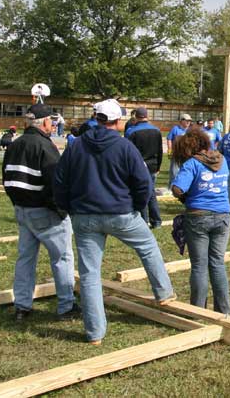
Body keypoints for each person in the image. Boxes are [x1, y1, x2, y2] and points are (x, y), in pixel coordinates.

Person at [54, 98, 175, 345]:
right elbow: (143, 183)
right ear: (117, 121)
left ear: (96, 118)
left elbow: (59, 180)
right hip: (121, 213)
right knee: (148, 247)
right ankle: (163, 293)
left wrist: (68, 207)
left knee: (89, 274)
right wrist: (137, 206)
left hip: (84, 216)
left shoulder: (75, 146)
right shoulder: (125, 147)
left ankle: (95, 333)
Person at [3, 103, 78, 321]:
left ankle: (22, 306)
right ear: (45, 122)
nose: (53, 124)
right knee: (62, 258)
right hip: (45, 213)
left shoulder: (15, 145)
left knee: (25, 259)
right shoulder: (45, 147)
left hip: (22, 210)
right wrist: (61, 210)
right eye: (52, 121)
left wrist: (19, 203)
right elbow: (57, 183)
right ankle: (66, 306)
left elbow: (7, 180)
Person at [170, 128, 230, 314]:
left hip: (198, 217)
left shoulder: (192, 164)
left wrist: (187, 199)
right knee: (217, 263)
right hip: (223, 216)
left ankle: (197, 311)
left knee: (199, 265)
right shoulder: (222, 160)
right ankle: (224, 310)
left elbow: (177, 189)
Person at [125, 107, 163, 228]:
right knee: (151, 193)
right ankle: (156, 221)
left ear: (136, 116)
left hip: (137, 166)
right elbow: (160, 150)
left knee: (139, 192)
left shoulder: (131, 132)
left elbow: (127, 152)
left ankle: (143, 220)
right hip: (152, 165)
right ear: (147, 116)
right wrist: (158, 166)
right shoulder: (156, 130)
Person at [166, 114, 192, 188]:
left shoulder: (190, 130)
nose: (188, 122)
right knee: (174, 172)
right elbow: (169, 139)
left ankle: (182, 188)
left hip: (187, 155)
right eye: (186, 120)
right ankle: (171, 189)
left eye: (189, 121)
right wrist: (170, 150)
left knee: (185, 172)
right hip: (176, 154)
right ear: (181, 121)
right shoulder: (175, 129)